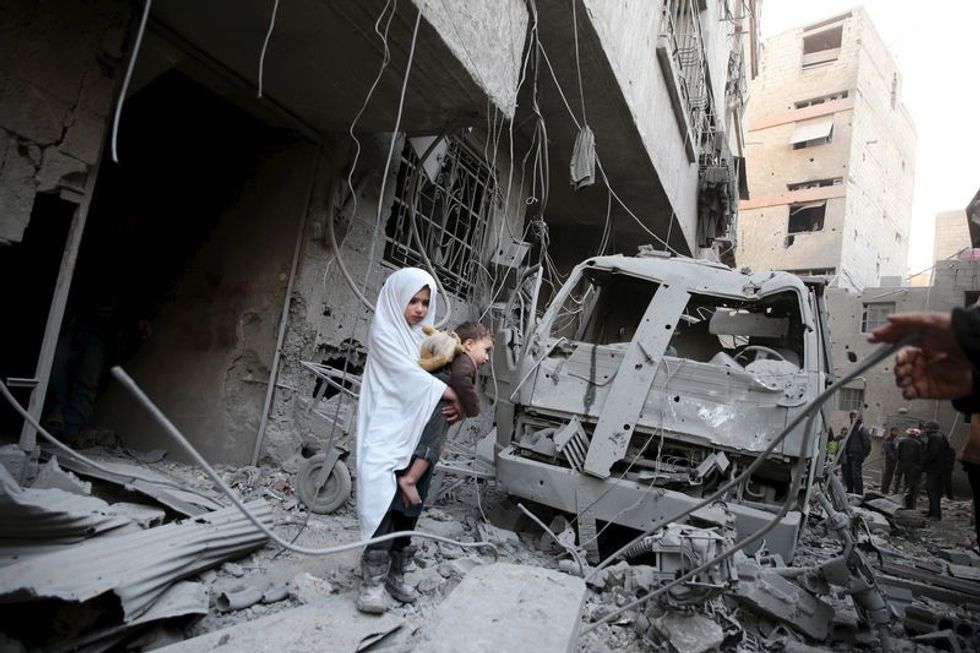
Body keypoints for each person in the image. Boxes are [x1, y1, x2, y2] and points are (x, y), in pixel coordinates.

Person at [354, 268, 466, 615]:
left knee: (410, 504)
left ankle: (395, 574)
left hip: (417, 431)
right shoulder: (384, 331)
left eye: (425, 302)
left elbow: (443, 367)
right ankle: (371, 582)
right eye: (412, 301)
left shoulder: (422, 339)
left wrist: (458, 394)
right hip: (386, 427)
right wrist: (451, 393)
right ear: (396, 299)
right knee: (383, 500)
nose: (419, 309)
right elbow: (406, 375)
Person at [869, 309, 980, 542]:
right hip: (918, 468)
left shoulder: (931, 441)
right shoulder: (922, 441)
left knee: (928, 491)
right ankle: (931, 511)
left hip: (923, 469)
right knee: (926, 491)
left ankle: (933, 512)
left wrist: (968, 331)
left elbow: (928, 455)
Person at [397, 321, 493, 507]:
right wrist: (472, 408)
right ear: (469, 344)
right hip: (440, 409)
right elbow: (460, 382)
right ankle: (409, 480)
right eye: (486, 350)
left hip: (440, 409)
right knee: (430, 445)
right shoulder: (465, 362)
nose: (487, 358)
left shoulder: (458, 361)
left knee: (435, 444)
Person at [921, 421, 951, 520]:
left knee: (932, 491)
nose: (925, 431)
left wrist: (923, 462)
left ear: (930, 429)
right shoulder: (941, 436)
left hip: (934, 469)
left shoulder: (934, 437)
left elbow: (932, 453)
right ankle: (932, 512)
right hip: (941, 469)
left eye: (926, 429)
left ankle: (935, 514)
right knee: (935, 491)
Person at [842, 413, 871, 495]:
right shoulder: (851, 429)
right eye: (851, 417)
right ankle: (850, 492)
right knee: (849, 476)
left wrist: (862, 456)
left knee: (856, 476)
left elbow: (867, 445)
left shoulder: (862, 429)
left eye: (854, 416)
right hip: (849, 455)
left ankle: (859, 494)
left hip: (856, 456)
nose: (852, 418)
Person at [896, 427, 923, 501]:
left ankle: (895, 492)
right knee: (908, 480)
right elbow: (919, 455)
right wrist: (918, 465)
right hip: (912, 464)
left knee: (898, 478)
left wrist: (897, 459)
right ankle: (905, 494)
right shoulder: (918, 444)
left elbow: (897, 451)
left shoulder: (902, 441)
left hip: (902, 462)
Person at [881, 426, 900, 494]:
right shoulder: (889, 439)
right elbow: (889, 450)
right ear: (891, 431)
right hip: (890, 460)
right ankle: (884, 490)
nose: (896, 433)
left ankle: (886, 489)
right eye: (895, 431)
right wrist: (894, 457)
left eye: (897, 431)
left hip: (892, 460)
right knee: (887, 475)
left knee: (890, 475)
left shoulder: (893, 439)